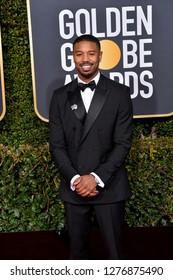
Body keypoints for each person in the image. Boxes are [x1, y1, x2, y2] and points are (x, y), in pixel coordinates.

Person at [49, 34, 133, 260]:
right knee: (78, 255)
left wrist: (95, 177)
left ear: (100, 56)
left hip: (109, 187)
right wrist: (77, 179)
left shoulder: (120, 93)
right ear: (73, 58)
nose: (85, 59)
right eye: (79, 54)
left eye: (91, 53)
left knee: (116, 254)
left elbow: (123, 142)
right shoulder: (59, 96)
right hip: (74, 188)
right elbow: (56, 145)